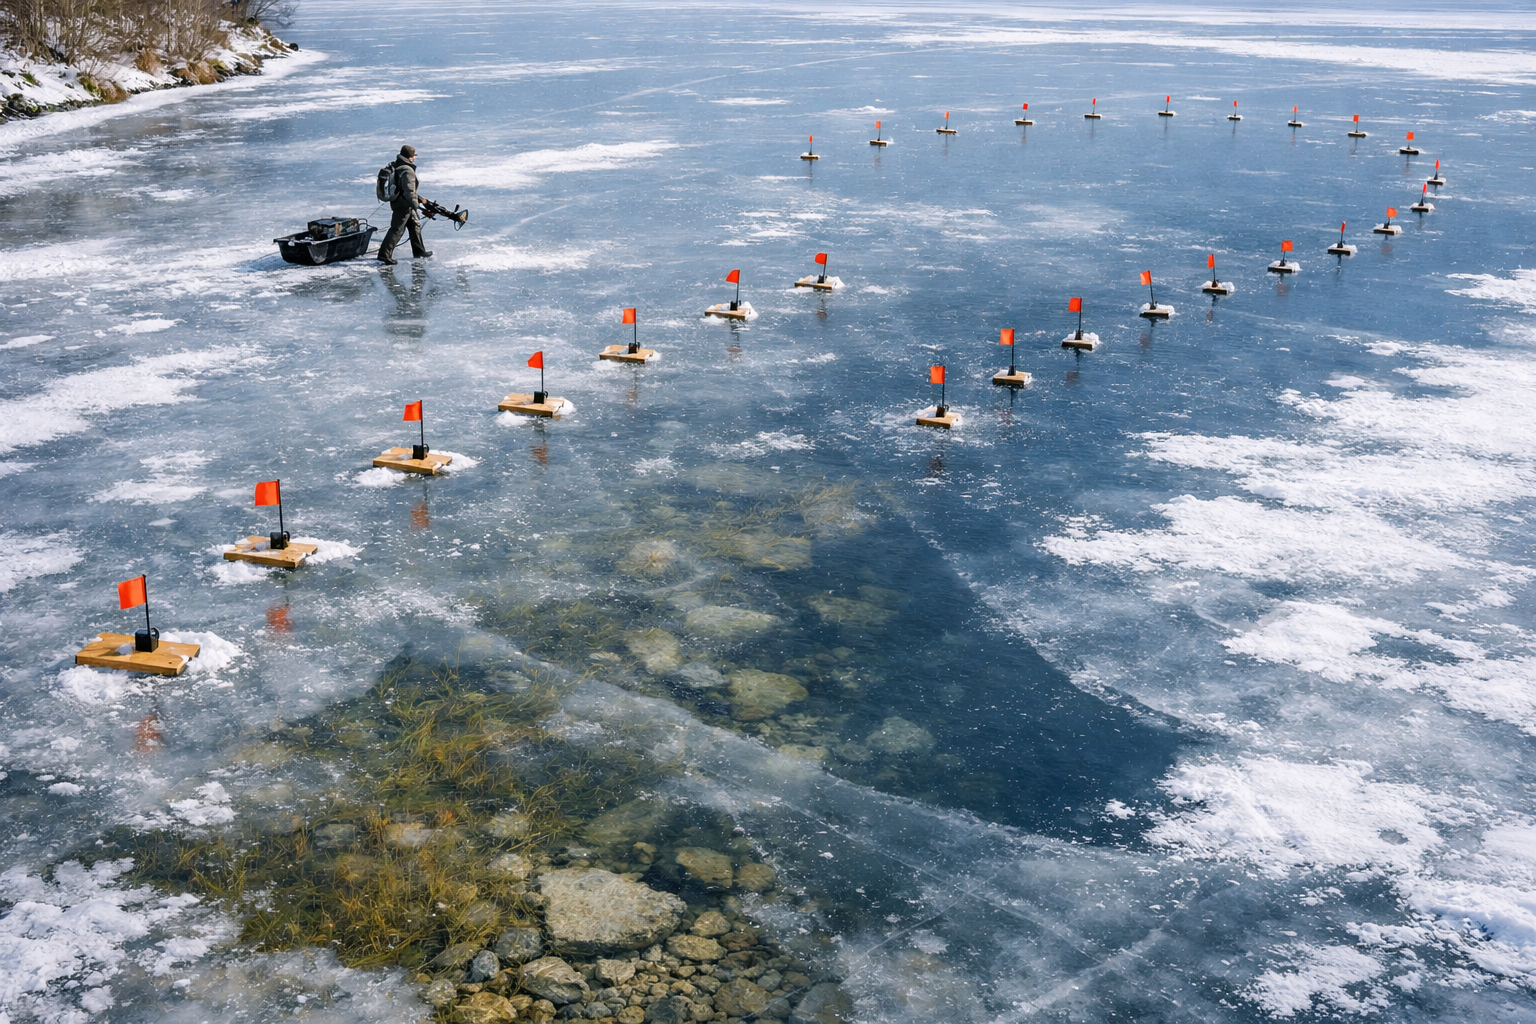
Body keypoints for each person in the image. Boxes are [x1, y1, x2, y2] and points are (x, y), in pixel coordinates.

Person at [378, 145, 432, 266]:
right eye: (413, 156)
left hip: (401, 202)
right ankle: (384, 255)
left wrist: (419, 199)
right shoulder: (408, 170)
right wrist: (417, 205)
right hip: (403, 205)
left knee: (415, 226)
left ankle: (419, 251)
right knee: (397, 229)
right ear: (411, 157)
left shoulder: (397, 165)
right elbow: (409, 191)